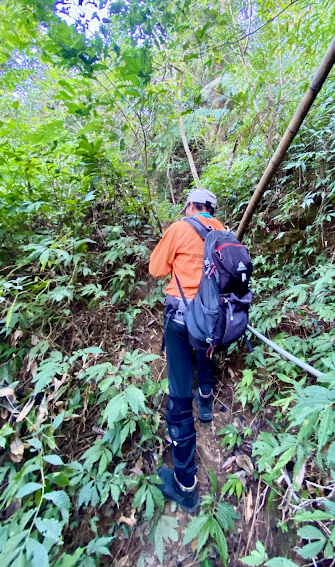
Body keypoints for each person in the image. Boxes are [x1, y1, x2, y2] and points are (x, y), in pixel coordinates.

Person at [149, 188, 224, 514]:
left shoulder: (179, 228)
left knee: (178, 400)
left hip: (179, 318)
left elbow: (155, 270)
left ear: (192, 206)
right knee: (205, 350)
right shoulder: (222, 231)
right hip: (212, 317)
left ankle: (186, 486)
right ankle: (206, 402)